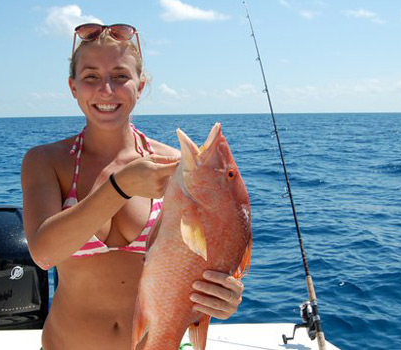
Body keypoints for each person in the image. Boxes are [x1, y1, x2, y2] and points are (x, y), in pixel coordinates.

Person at [21, 23, 244, 350]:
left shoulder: (178, 169)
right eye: (91, 77)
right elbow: (44, 253)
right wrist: (121, 185)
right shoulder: (46, 161)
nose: (106, 90)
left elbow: (209, 254)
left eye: (120, 76)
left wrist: (224, 295)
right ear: (73, 87)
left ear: (140, 86)